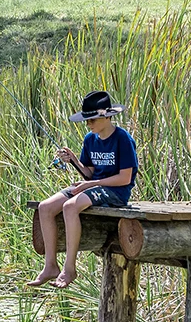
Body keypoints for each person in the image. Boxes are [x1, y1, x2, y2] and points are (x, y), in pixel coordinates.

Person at [27, 90, 138, 289]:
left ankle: (69, 268)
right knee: (45, 207)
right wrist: (74, 161)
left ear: (107, 116)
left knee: (70, 207)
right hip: (94, 187)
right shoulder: (90, 139)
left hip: (116, 192)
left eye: (92, 119)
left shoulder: (122, 139)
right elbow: (89, 174)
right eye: (86, 120)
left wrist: (91, 184)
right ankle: (50, 266)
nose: (88, 124)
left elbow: (125, 178)